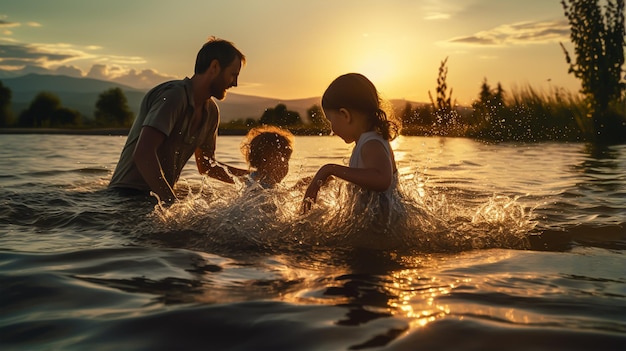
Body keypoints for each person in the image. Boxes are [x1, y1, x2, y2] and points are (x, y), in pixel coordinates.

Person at [108, 37, 249, 203]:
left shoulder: (211, 112)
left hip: (156, 200)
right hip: (125, 197)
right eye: (233, 75)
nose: (235, 83)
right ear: (214, 67)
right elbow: (143, 152)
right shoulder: (174, 96)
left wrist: (254, 178)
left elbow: (207, 166)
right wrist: (171, 203)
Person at [302, 73, 400, 213]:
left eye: (330, 121)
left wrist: (330, 169)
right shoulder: (366, 141)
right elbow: (362, 178)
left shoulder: (372, 143)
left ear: (345, 115)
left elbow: (382, 179)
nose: (332, 130)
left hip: (384, 228)